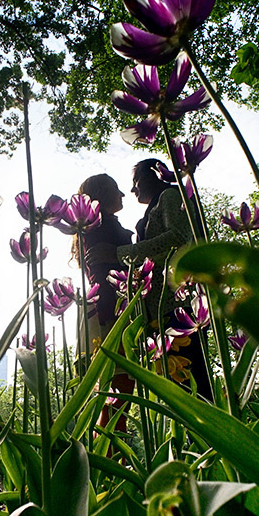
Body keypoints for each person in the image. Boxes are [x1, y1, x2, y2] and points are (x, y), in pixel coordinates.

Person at [116, 158, 213, 399]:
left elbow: (178, 237)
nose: (133, 189)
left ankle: (205, 420)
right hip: (160, 306)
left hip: (176, 302)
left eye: (137, 180)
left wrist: (123, 254)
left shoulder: (170, 196)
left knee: (191, 377)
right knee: (177, 381)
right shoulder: (158, 204)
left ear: (155, 174)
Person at [73, 173, 134, 431]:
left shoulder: (91, 228)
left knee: (114, 395)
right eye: (116, 189)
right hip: (109, 310)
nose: (123, 194)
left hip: (101, 308)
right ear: (102, 194)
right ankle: (110, 449)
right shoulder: (102, 227)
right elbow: (108, 273)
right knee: (119, 392)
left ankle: (107, 449)